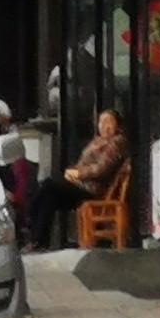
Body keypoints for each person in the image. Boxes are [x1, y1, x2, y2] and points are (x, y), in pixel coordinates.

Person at [33, 106, 130, 250]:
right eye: (101, 122)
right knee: (49, 198)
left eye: (109, 121)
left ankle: (28, 218)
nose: (104, 126)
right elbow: (82, 164)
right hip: (81, 185)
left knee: (49, 184)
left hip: (92, 189)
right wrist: (73, 173)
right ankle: (39, 242)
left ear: (118, 125)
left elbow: (101, 169)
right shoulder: (97, 141)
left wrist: (78, 174)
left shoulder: (116, 142)